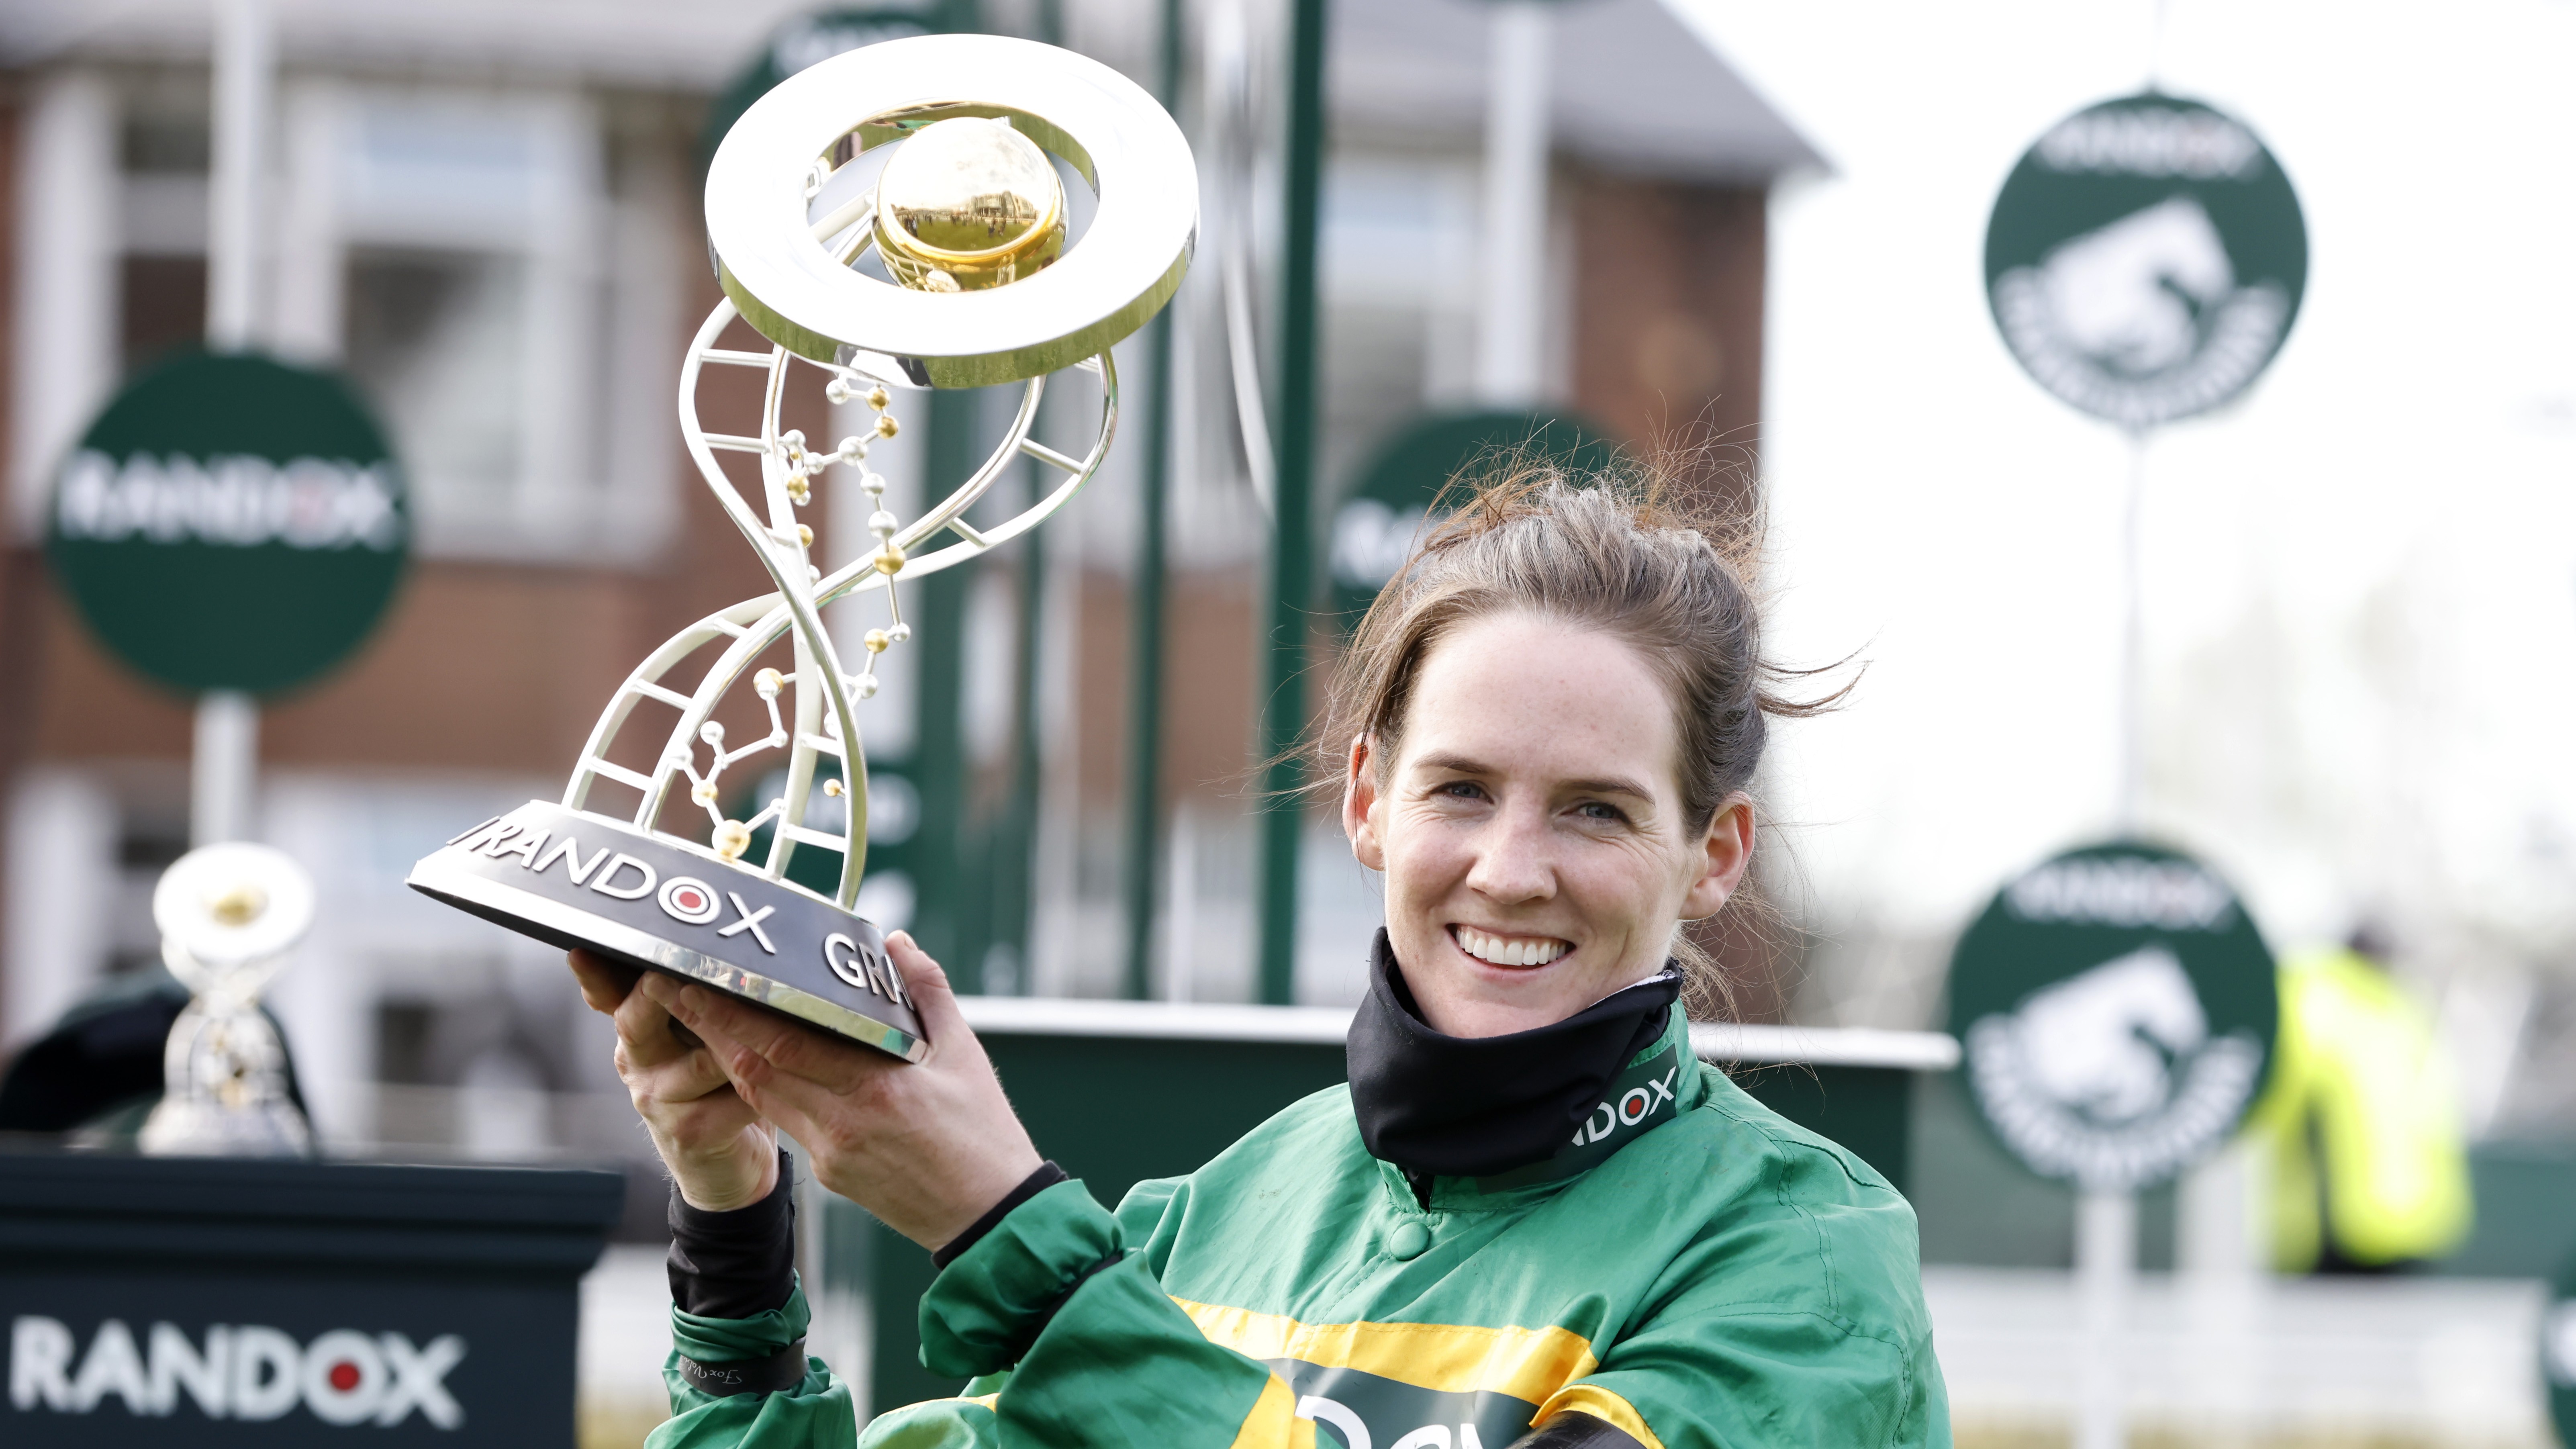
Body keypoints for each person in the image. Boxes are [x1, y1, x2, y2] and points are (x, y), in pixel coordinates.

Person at [569, 462, 1949, 1449]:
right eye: (1459, 789)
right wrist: (736, 1224)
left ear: (1715, 856)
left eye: (1595, 809)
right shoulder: (1216, 1214)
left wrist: (1010, 1235)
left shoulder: (1803, 1263)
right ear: (1367, 802)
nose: (1512, 869)